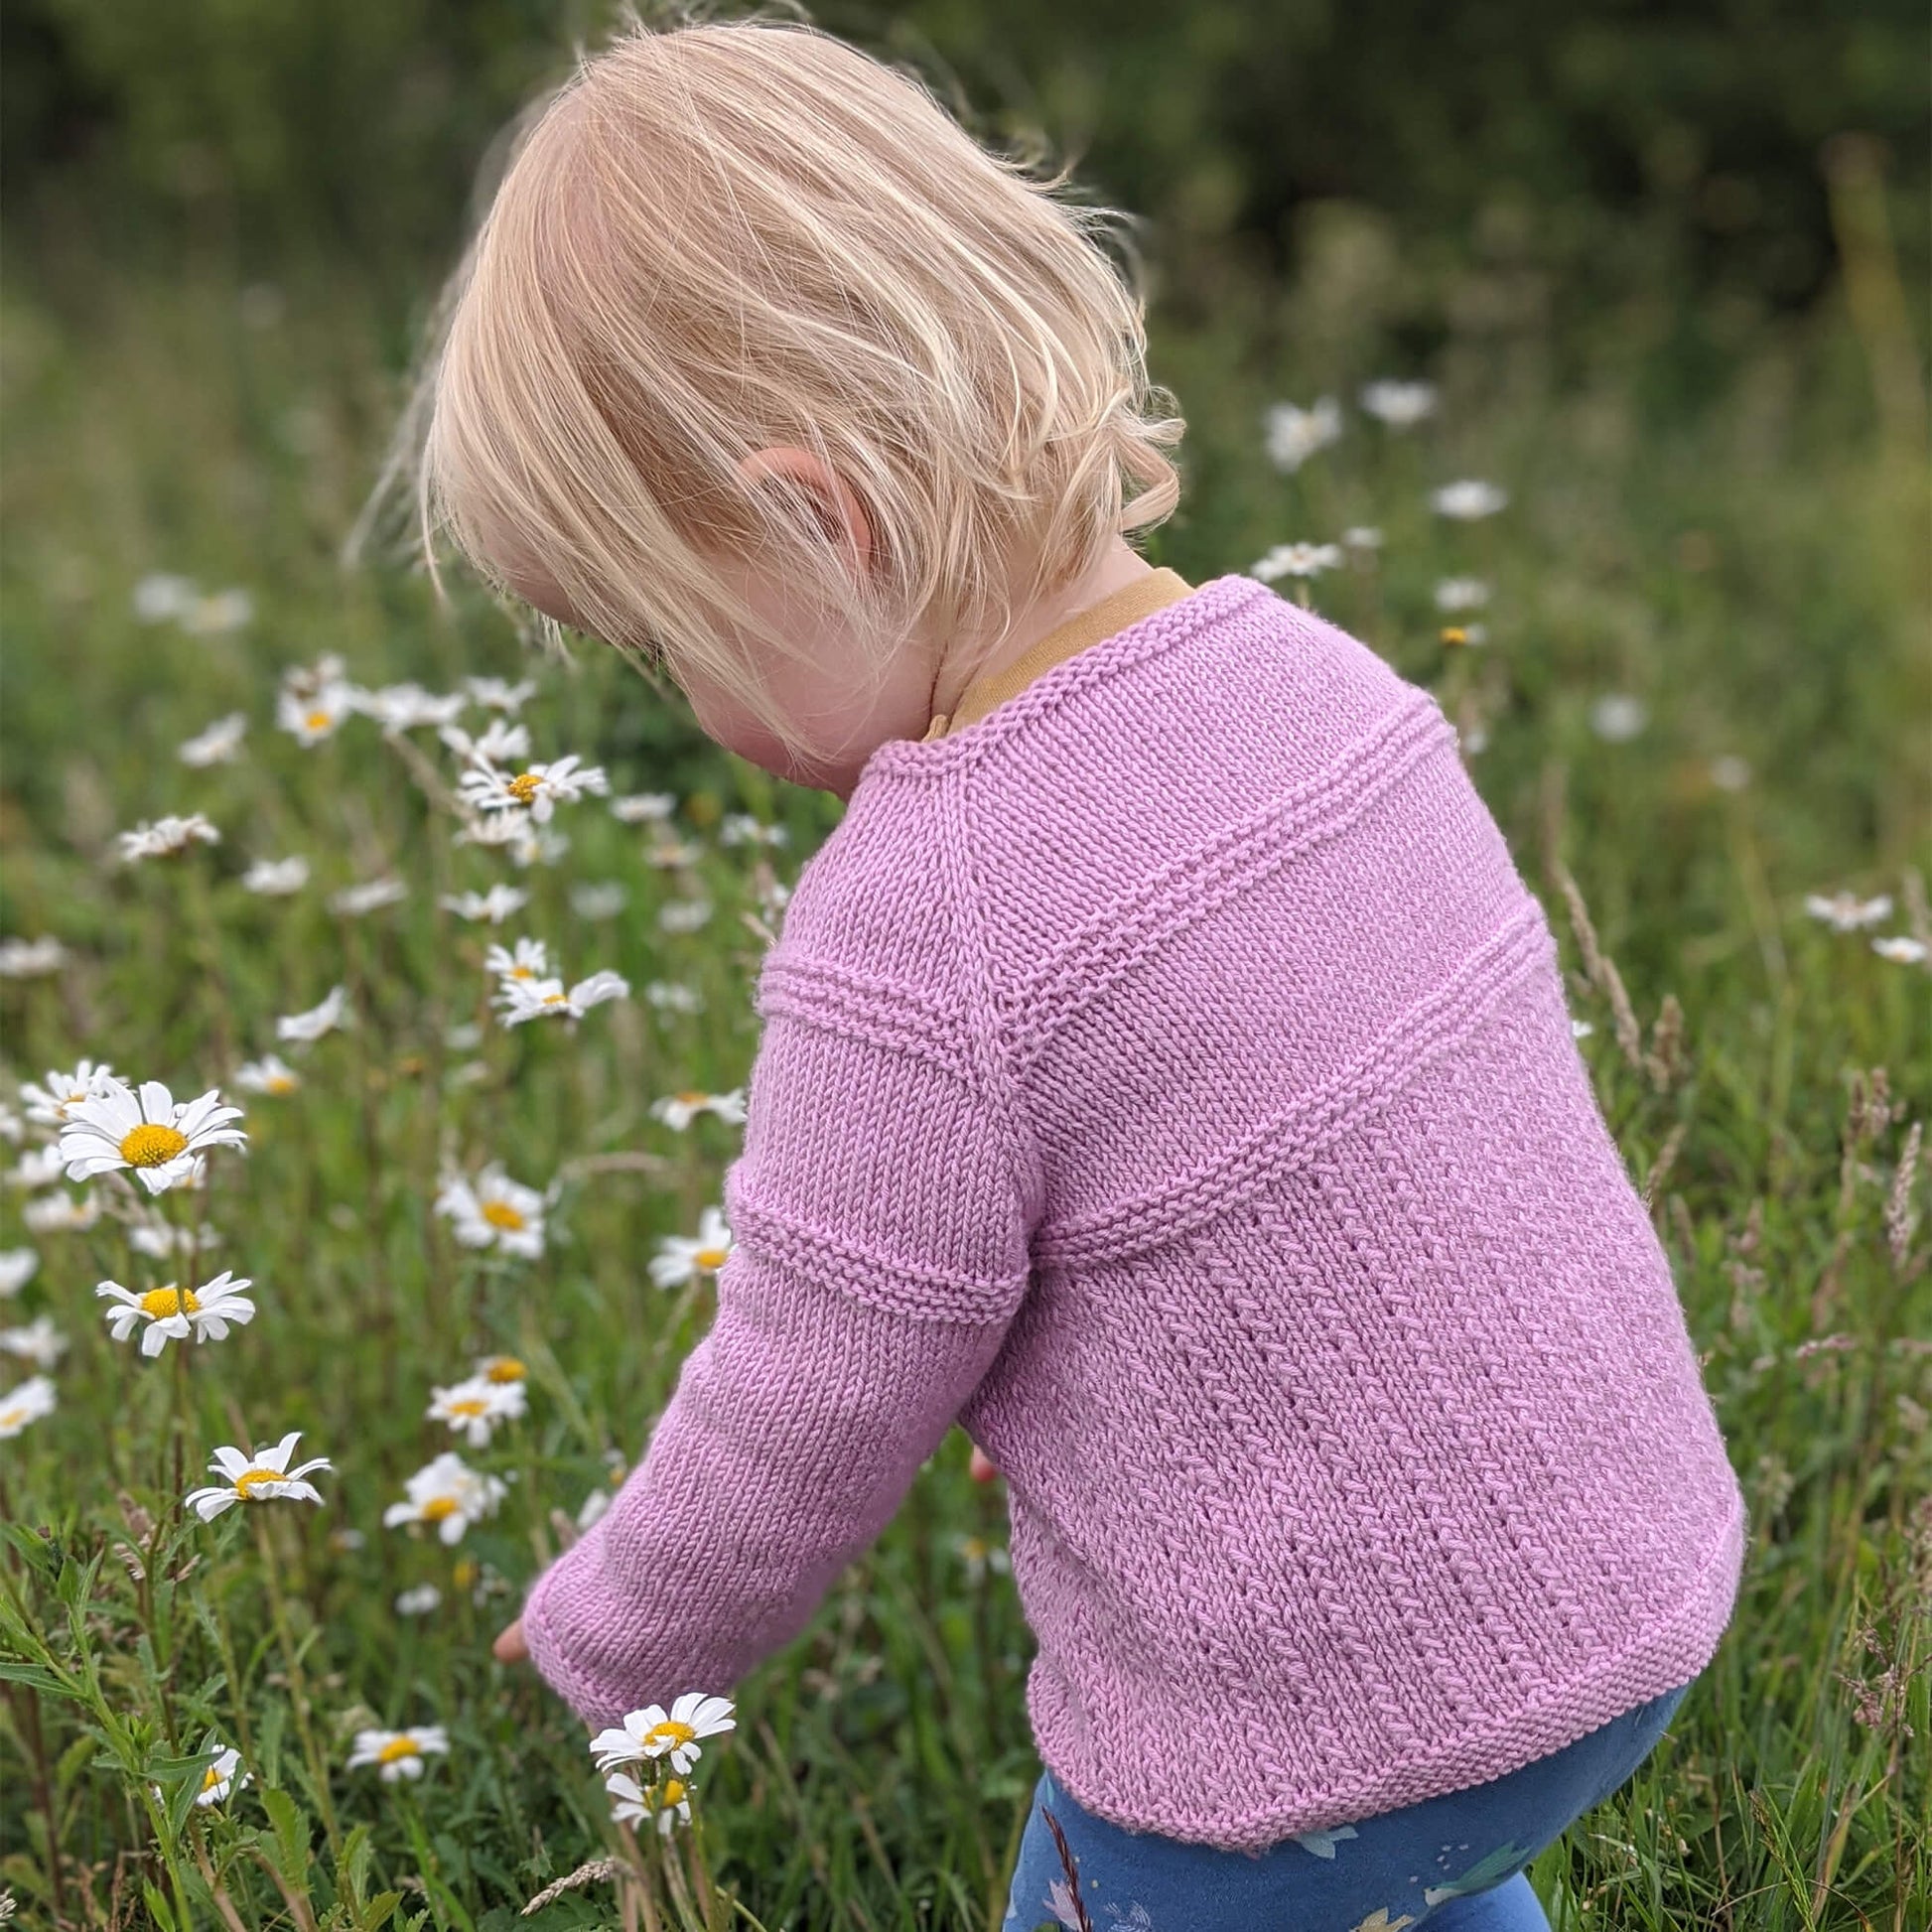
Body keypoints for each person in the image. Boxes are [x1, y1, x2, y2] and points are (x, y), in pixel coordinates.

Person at [386, 11, 1747, 1926]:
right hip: (1618, 1596)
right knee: (1428, 1881)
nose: (691, 712)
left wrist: (622, 1636)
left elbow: (809, 1392)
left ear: (814, 519)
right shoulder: (1327, 686)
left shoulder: (925, 916)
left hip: (1308, 1733)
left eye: (662, 645)